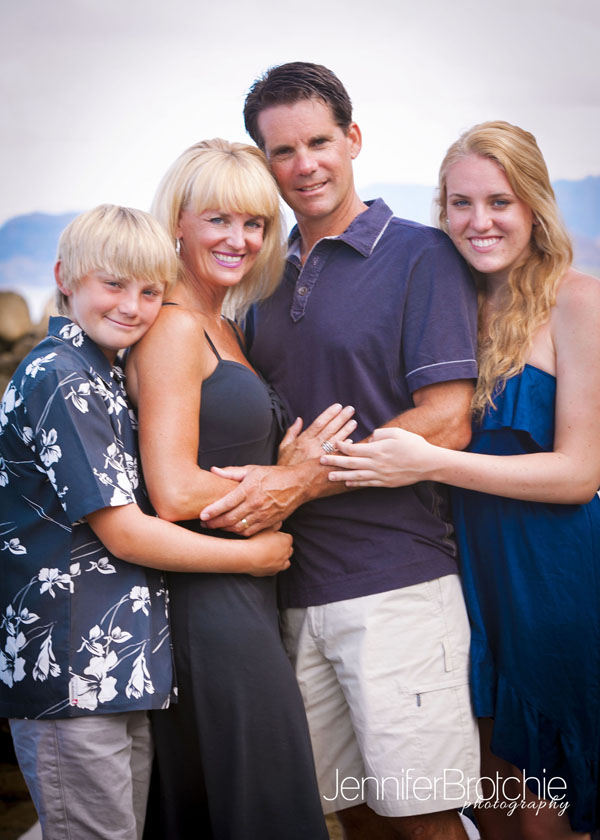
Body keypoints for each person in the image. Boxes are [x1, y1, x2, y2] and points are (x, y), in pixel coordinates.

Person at [200, 64, 481, 839]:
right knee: (347, 814)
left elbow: (448, 420)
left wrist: (301, 482)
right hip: (293, 593)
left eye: (319, 141)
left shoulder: (421, 255)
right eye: (282, 151)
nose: (305, 165)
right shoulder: (257, 279)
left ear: (352, 139)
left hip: (397, 585)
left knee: (423, 820)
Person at [321, 121, 600, 839]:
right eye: (460, 204)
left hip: (554, 579)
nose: (480, 222)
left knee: (548, 814)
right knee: (488, 796)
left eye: (499, 202)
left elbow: (579, 473)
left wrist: (433, 461)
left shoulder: (577, 301)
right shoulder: (446, 306)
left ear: (534, 206)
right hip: (460, 580)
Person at [0, 204, 293, 840]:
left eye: (150, 291)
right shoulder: (60, 378)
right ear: (64, 277)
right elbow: (125, 529)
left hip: (119, 669)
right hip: (72, 672)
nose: (132, 306)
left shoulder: (102, 374)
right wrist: (252, 555)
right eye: (113, 285)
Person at [125, 139, 348, 839]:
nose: (240, 239)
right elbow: (171, 490)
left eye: (255, 222)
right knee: (267, 806)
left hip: (247, 596)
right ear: (180, 222)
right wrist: (290, 480)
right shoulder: (173, 328)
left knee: (248, 801)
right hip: (209, 603)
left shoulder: (226, 323)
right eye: (218, 219)